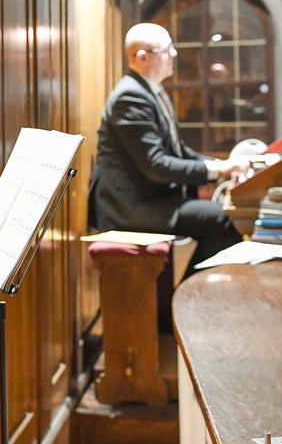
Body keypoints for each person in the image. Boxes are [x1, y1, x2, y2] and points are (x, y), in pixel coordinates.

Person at [87, 22, 246, 275]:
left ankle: (187, 294)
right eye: (166, 49)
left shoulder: (151, 91)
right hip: (130, 206)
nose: (174, 54)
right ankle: (188, 295)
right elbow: (156, 165)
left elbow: (177, 150)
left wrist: (221, 167)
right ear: (142, 57)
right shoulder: (130, 97)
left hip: (149, 198)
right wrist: (218, 171)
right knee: (220, 220)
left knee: (222, 217)